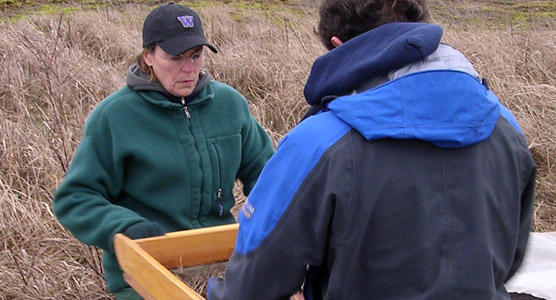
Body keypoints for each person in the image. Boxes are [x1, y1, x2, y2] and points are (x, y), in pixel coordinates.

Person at [206, 0, 537, 299]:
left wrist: (216, 289)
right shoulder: (504, 124)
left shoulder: (319, 141)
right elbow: (511, 256)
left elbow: (253, 284)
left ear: (338, 46)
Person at [52, 3, 274, 299]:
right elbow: (74, 199)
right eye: (175, 57)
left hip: (223, 260)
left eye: (196, 56)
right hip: (144, 270)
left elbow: (269, 175)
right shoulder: (115, 117)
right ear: (148, 56)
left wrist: (269, 221)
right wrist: (129, 228)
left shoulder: (230, 105)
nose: (189, 69)